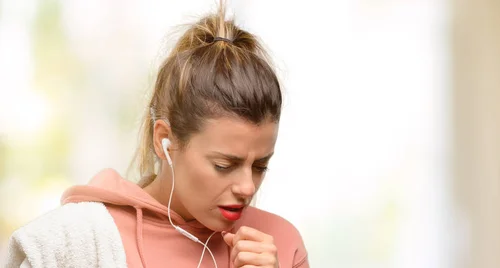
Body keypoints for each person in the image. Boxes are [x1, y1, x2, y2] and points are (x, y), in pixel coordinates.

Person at [4, 2, 308, 268]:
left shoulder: (281, 243)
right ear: (165, 140)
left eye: (260, 166)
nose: (246, 187)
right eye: (224, 165)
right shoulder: (76, 240)